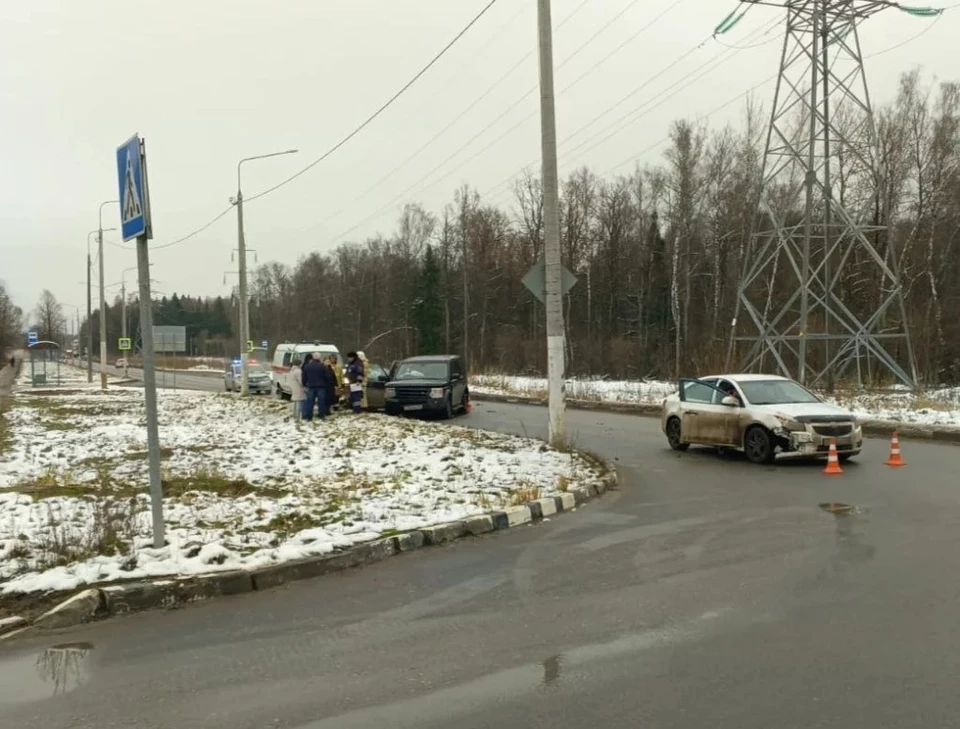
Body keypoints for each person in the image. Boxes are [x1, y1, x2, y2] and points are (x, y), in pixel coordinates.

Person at [301, 351, 331, 420]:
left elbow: (304, 377)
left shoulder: (307, 366)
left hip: (310, 386)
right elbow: (327, 376)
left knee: (310, 402)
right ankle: (322, 415)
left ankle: (309, 417)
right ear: (319, 358)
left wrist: (304, 384)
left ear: (313, 357)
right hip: (321, 386)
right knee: (321, 402)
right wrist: (326, 383)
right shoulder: (322, 366)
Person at [288, 356, 305, 421]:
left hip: (294, 388)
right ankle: (297, 416)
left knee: (295, 402)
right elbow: (301, 381)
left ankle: (295, 415)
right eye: (301, 364)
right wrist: (304, 385)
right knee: (299, 402)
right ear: (299, 364)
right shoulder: (298, 371)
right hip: (299, 389)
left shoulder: (292, 370)